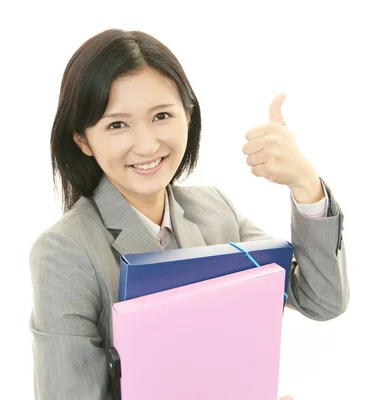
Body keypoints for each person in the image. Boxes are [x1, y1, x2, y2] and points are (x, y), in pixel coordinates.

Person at [29, 28, 349, 400]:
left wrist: (305, 184)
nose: (147, 144)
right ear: (83, 139)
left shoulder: (214, 209)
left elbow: (321, 299)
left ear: (188, 115)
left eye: (162, 115)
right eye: (117, 124)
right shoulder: (66, 250)